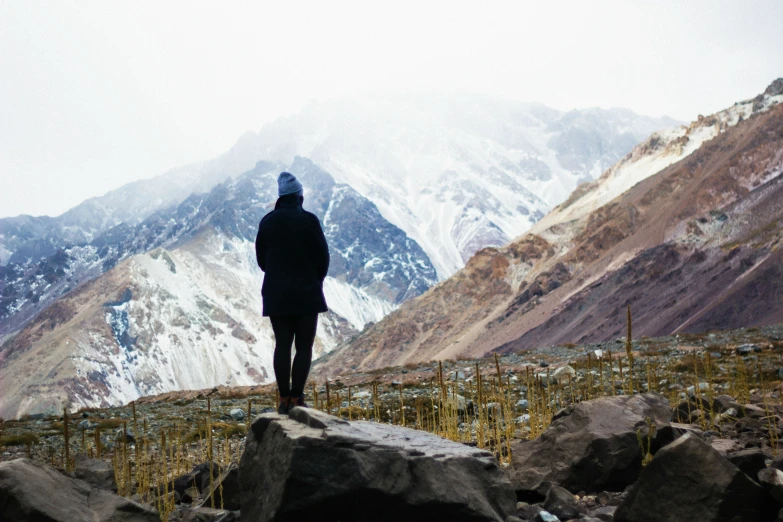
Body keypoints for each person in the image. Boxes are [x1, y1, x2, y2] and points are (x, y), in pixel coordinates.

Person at [255, 172, 330, 414]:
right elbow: (323, 258)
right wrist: (313, 280)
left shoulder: (267, 222)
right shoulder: (309, 221)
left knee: (283, 345)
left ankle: (283, 399)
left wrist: (278, 275)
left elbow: (261, 260)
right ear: (299, 197)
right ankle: (297, 398)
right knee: (304, 346)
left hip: (277, 294)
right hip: (307, 293)